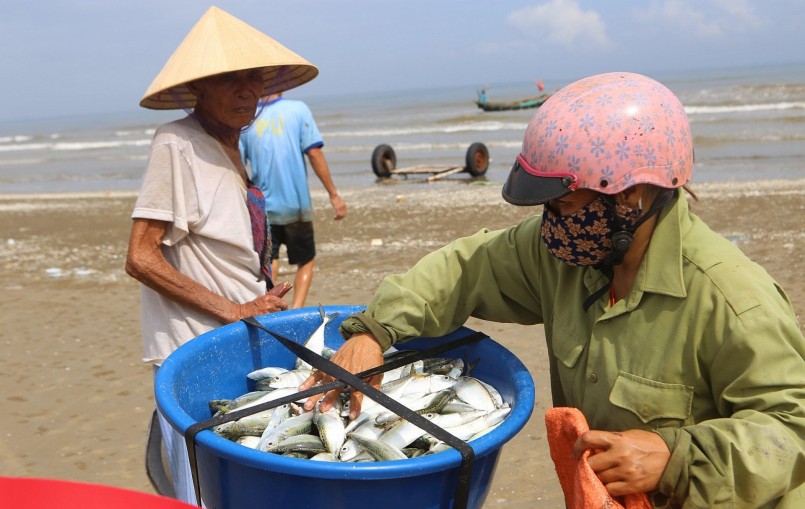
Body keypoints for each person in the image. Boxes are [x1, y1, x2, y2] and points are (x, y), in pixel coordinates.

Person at [302, 72, 805, 508]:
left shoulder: (733, 299)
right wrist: (373, 332)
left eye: (563, 205)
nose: (549, 226)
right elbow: (466, 267)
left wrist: (675, 458)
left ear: (629, 196)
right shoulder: (572, 252)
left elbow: (792, 428)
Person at [125, 6, 317, 503]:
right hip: (194, 349)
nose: (245, 90)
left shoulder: (233, 146)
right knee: (199, 489)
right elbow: (142, 257)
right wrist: (234, 309)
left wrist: (261, 288)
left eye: (254, 78)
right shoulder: (177, 142)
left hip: (238, 342)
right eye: (229, 79)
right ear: (197, 88)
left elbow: (230, 241)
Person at [240, 92, 347, 310]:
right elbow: (315, 153)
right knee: (305, 260)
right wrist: (333, 194)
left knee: (271, 261)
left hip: (263, 207)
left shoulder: (248, 117)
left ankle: (270, 307)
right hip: (296, 204)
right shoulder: (298, 109)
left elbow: (239, 167)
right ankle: (297, 308)